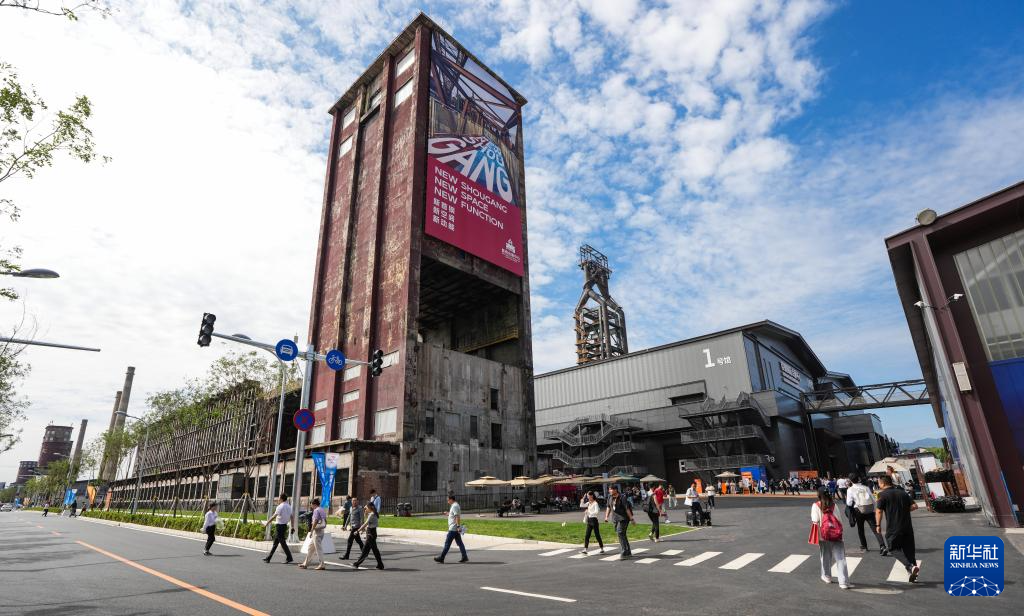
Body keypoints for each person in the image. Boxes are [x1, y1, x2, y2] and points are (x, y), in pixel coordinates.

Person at [876, 475, 920, 583]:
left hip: (893, 528)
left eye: (879, 483)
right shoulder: (902, 493)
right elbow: (915, 506)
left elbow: (879, 511)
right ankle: (913, 572)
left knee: (893, 548)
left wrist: (878, 525)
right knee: (909, 550)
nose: (878, 485)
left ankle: (910, 567)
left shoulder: (882, 495)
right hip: (907, 527)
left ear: (883, 483)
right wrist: (903, 511)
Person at [812, 487, 851, 589]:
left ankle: (827, 576)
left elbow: (815, 520)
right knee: (841, 558)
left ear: (818, 495)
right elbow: (839, 520)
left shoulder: (816, 505)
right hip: (836, 535)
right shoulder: (834, 505)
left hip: (823, 536)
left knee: (825, 556)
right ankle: (843, 582)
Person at [845, 474, 887, 555]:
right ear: (859, 479)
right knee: (875, 528)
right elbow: (873, 499)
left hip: (858, 510)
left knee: (860, 529)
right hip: (869, 510)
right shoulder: (866, 487)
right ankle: (882, 546)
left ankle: (864, 545)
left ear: (850, 480)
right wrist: (874, 509)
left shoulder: (850, 490)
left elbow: (849, 503)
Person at [434, 493, 469, 563]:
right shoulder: (454, 505)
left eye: (448, 500)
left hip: (453, 529)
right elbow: (453, 515)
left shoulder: (455, 506)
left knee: (447, 543)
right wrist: (448, 514)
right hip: (455, 528)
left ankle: (442, 557)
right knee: (460, 543)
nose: (447, 501)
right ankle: (464, 556)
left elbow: (457, 517)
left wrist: (458, 526)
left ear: (451, 499)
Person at [604, 485, 634, 559]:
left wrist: (631, 519)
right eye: (609, 489)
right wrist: (606, 517)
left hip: (624, 518)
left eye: (610, 489)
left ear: (615, 490)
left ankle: (624, 551)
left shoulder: (622, 497)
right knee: (622, 534)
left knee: (620, 532)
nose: (609, 491)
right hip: (615, 519)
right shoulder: (609, 497)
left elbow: (627, 509)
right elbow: (608, 507)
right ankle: (628, 551)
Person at [263, 493, 294, 564]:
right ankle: (268, 558)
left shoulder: (280, 507)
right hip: (284, 526)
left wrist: (267, 523)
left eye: (279, 498)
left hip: (279, 526)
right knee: (275, 543)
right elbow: (292, 517)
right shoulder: (289, 507)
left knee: (282, 543)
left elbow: (274, 516)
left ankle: (289, 557)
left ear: (282, 499)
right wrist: (292, 526)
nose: (278, 499)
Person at [353, 502, 383, 570]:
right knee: (373, 550)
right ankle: (380, 564)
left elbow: (365, 524)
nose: (365, 509)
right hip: (372, 533)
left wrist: (357, 531)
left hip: (370, 534)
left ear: (369, 508)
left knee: (366, 550)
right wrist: (365, 512)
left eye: (366, 508)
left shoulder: (372, 515)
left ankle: (357, 563)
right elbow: (368, 521)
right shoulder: (373, 514)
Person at [299, 498, 327, 570]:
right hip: (321, 530)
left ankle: (322, 564)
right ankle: (305, 563)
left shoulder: (316, 510)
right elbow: (325, 520)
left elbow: (315, 521)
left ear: (313, 504)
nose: (311, 506)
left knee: (318, 549)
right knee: (310, 548)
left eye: (311, 504)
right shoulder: (321, 509)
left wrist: (311, 531)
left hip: (316, 531)